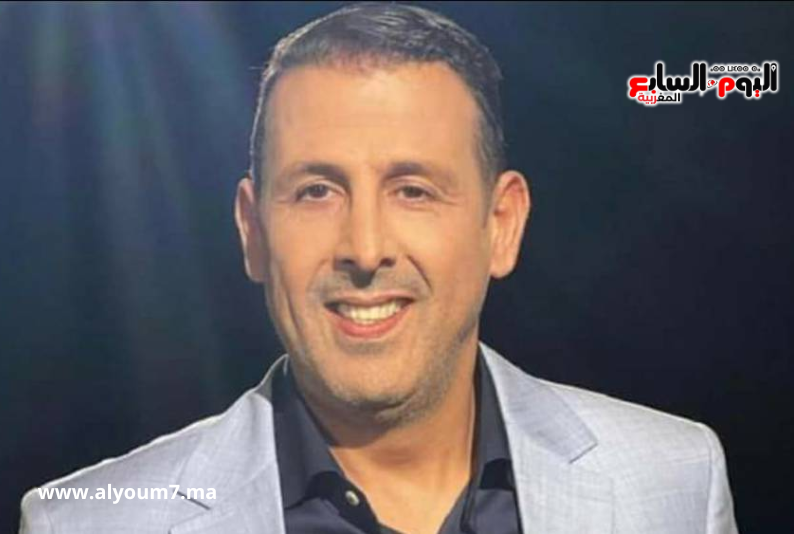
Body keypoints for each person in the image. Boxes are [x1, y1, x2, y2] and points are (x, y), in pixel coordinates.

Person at [19, 4, 738, 533]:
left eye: (413, 191)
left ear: (501, 225)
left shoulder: (676, 478)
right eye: (316, 191)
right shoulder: (83, 523)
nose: (364, 250)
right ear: (253, 231)